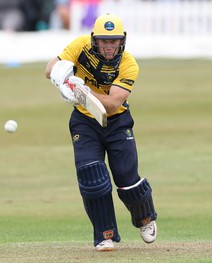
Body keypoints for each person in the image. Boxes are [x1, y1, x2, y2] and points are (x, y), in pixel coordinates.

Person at [45, 14, 158, 252]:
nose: (109, 46)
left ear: (122, 41)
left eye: (114, 41)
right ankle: (105, 235)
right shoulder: (80, 46)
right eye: (104, 41)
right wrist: (62, 81)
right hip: (84, 122)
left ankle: (145, 218)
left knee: (126, 180)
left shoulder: (129, 64)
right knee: (92, 177)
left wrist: (81, 90)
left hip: (117, 123)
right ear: (95, 40)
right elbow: (50, 69)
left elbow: (112, 104)